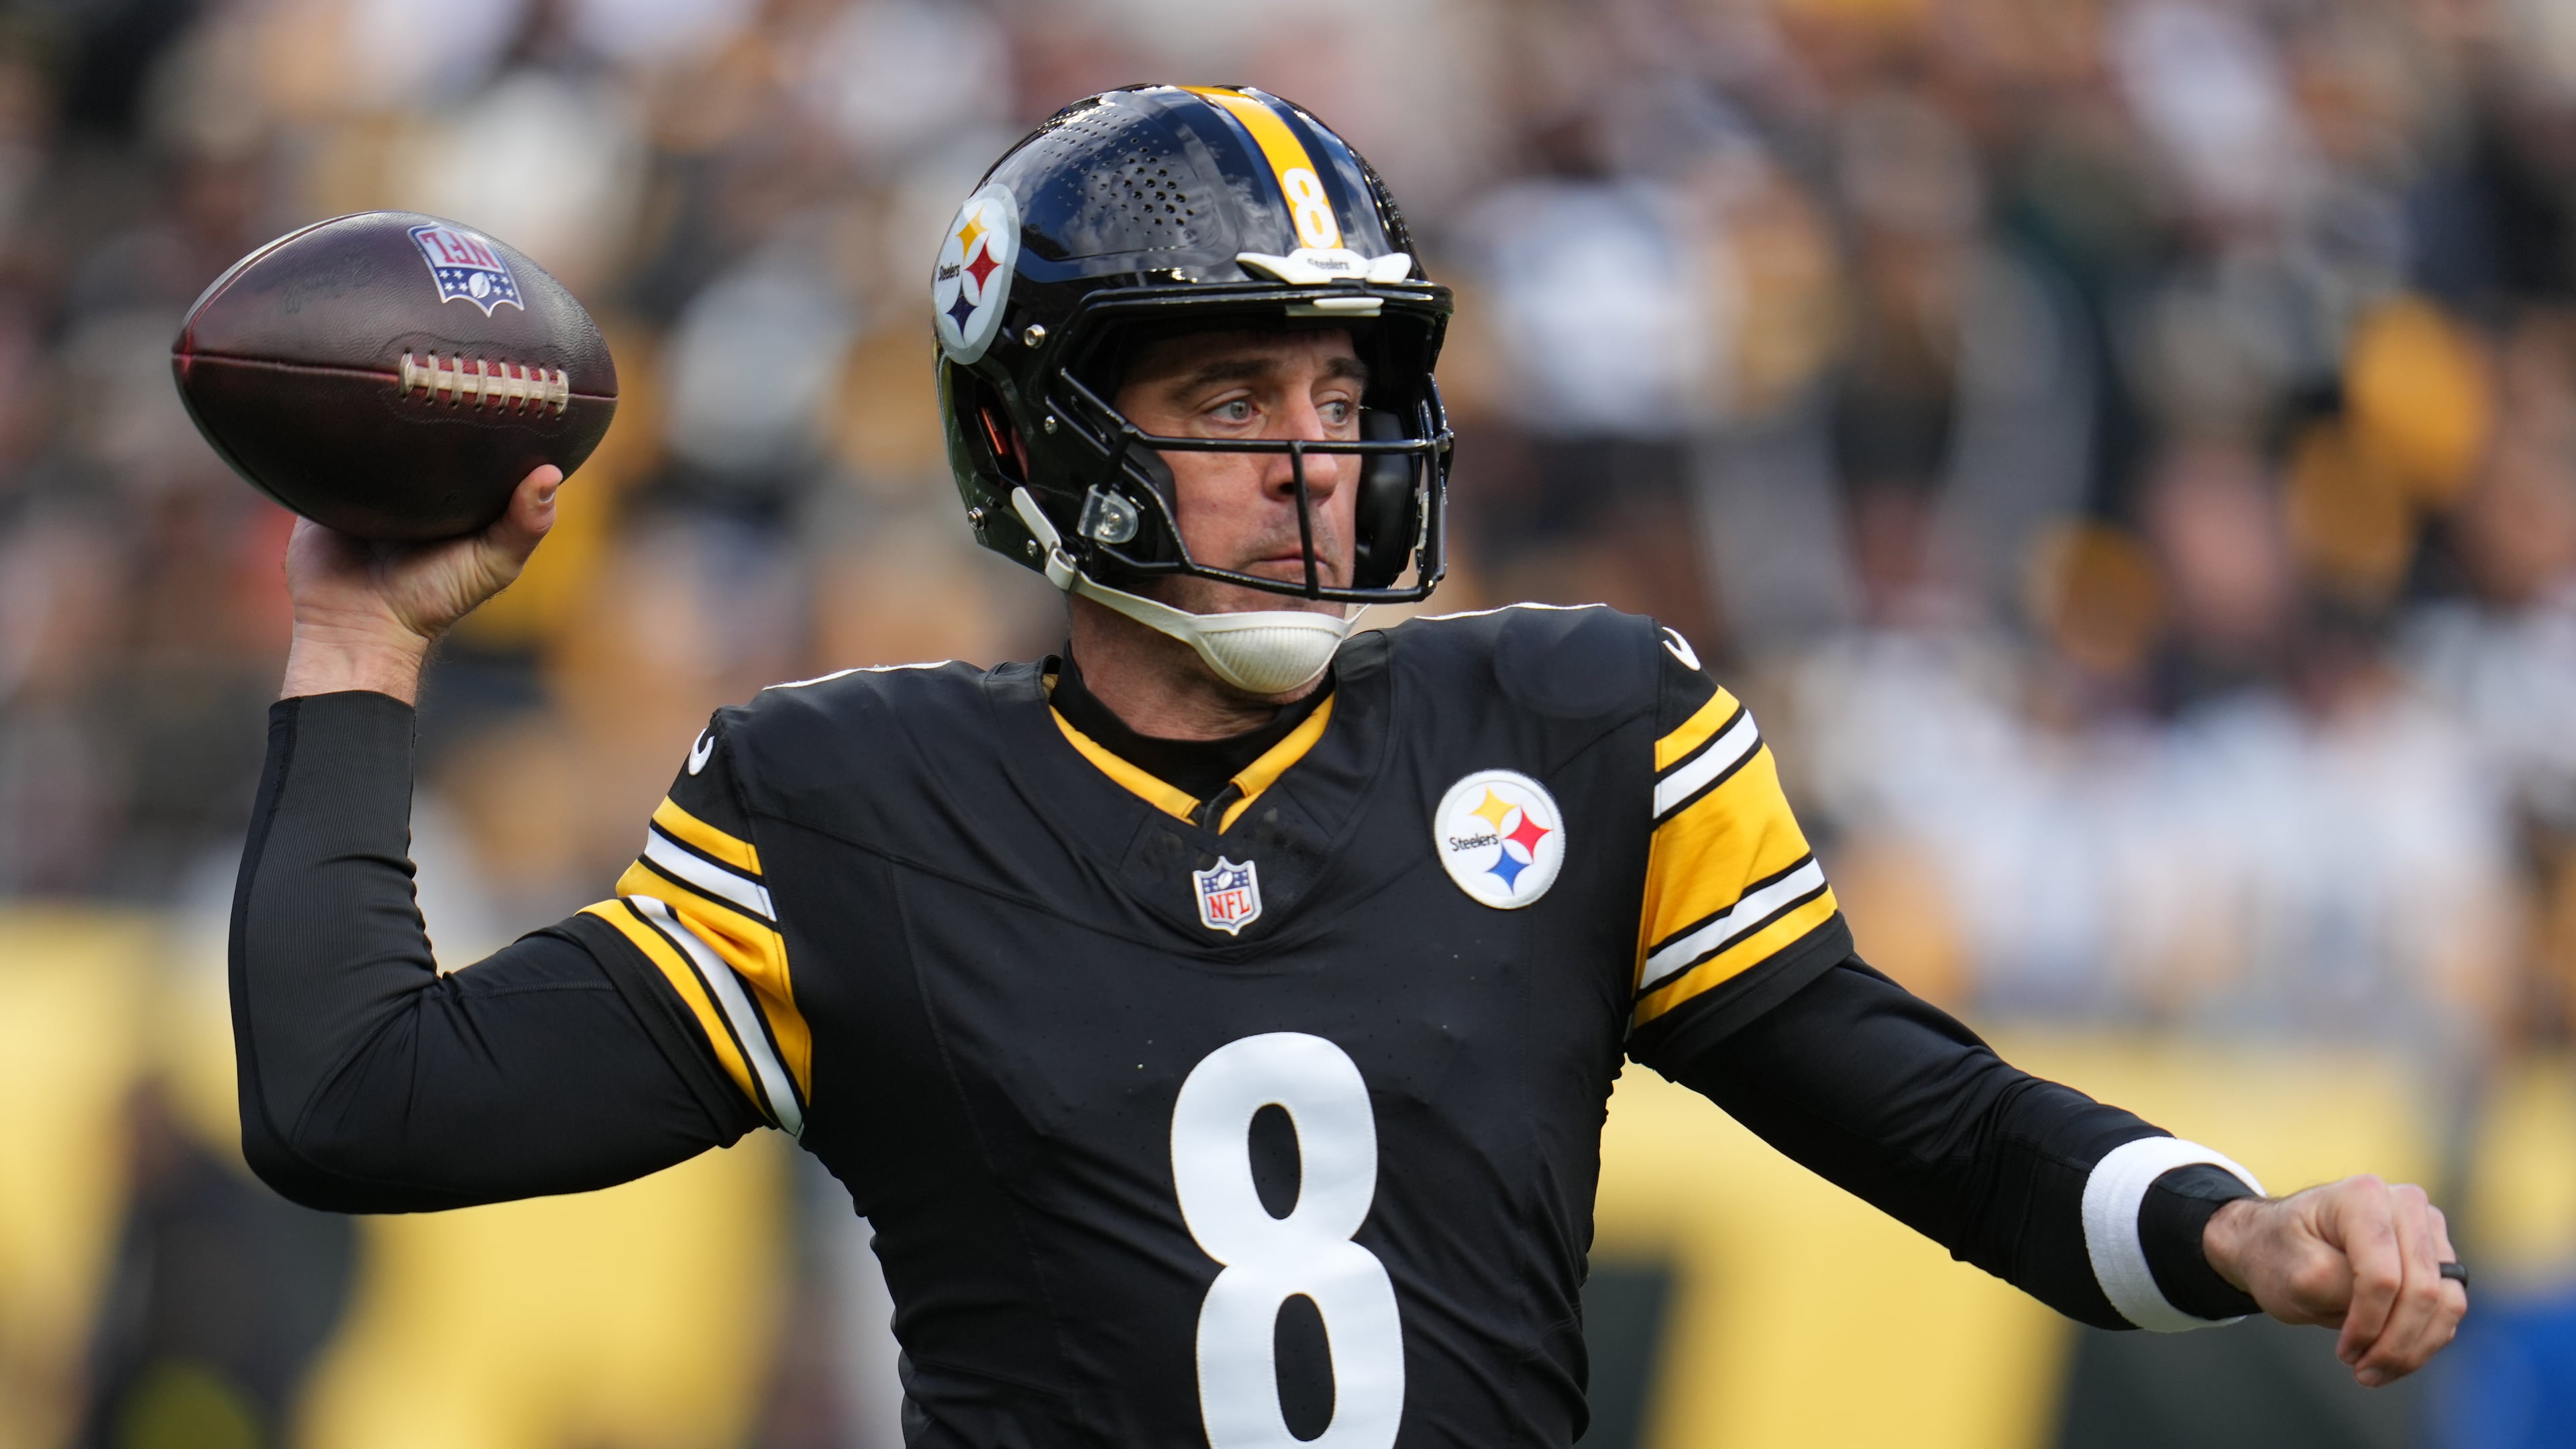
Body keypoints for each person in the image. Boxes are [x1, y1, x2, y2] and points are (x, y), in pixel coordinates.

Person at [231, 86, 2466, 1447]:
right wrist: (355, 634)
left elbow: (1925, 1112)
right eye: (1228, 400)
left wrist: (2226, 1221)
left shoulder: (1586, 728)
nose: (1312, 456)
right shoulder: (849, 802)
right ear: (1033, 436)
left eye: (1337, 388)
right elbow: (361, 1105)